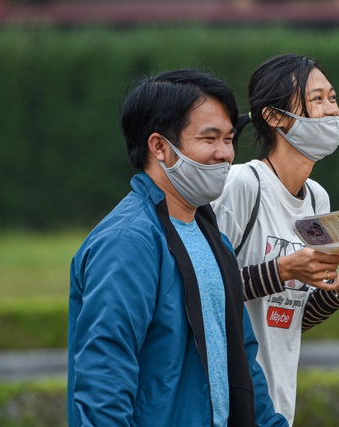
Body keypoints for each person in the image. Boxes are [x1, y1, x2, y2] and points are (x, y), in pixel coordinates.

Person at [67, 69, 287, 427]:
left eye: (229, 139)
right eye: (210, 138)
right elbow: (104, 380)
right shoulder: (127, 243)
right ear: (159, 147)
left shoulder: (211, 234)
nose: (224, 154)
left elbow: (243, 360)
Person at [211, 54, 339, 425]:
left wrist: (338, 288)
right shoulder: (243, 185)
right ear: (274, 117)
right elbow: (201, 292)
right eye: (316, 99)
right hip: (228, 404)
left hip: (278, 404)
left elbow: (289, 316)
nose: (330, 111)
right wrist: (283, 269)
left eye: (333, 98)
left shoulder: (318, 199)